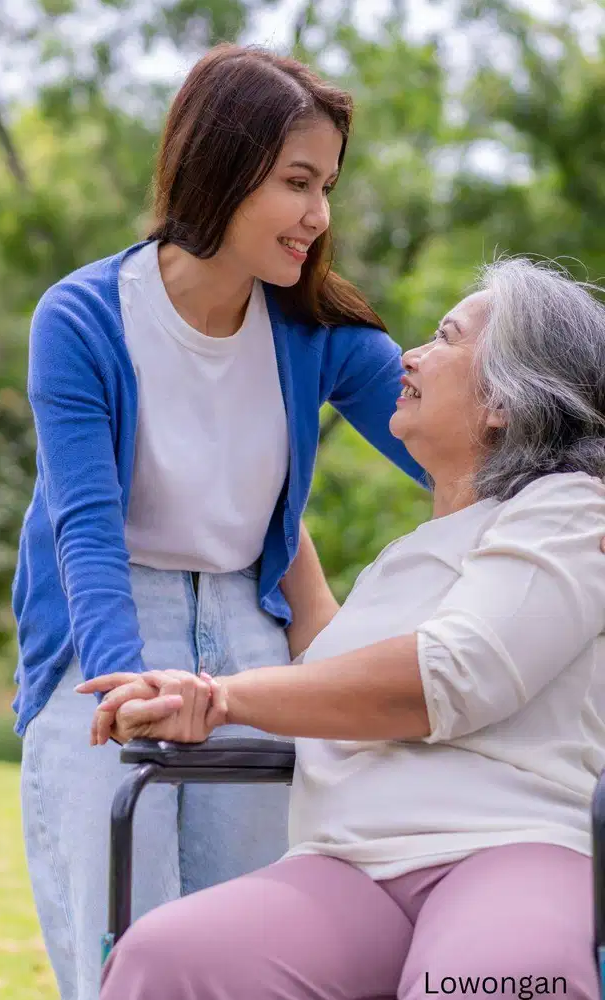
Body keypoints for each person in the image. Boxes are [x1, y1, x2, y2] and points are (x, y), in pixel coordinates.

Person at [12, 42, 429, 1000]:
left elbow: (447, 448)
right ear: (223, 166)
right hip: (104, 632)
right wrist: (127, 686)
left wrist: (569, 495)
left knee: (250, 944)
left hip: (253, 634)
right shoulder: (82, 319)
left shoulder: (315, 331)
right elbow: (84, 529)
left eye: (326, 185)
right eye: (297, 182)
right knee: (126, 944)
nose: (319, 215)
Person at [80, 258, 605, 1000]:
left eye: (444, 338)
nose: (412, 355)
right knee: (165, 959)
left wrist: (224, 696)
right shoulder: (409, 557)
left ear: (505, 403)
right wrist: (257, 489)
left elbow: (443, 677)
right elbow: (330, 657)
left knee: (490, 981)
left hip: (508, 845)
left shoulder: (572, 512)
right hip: (348, 866)